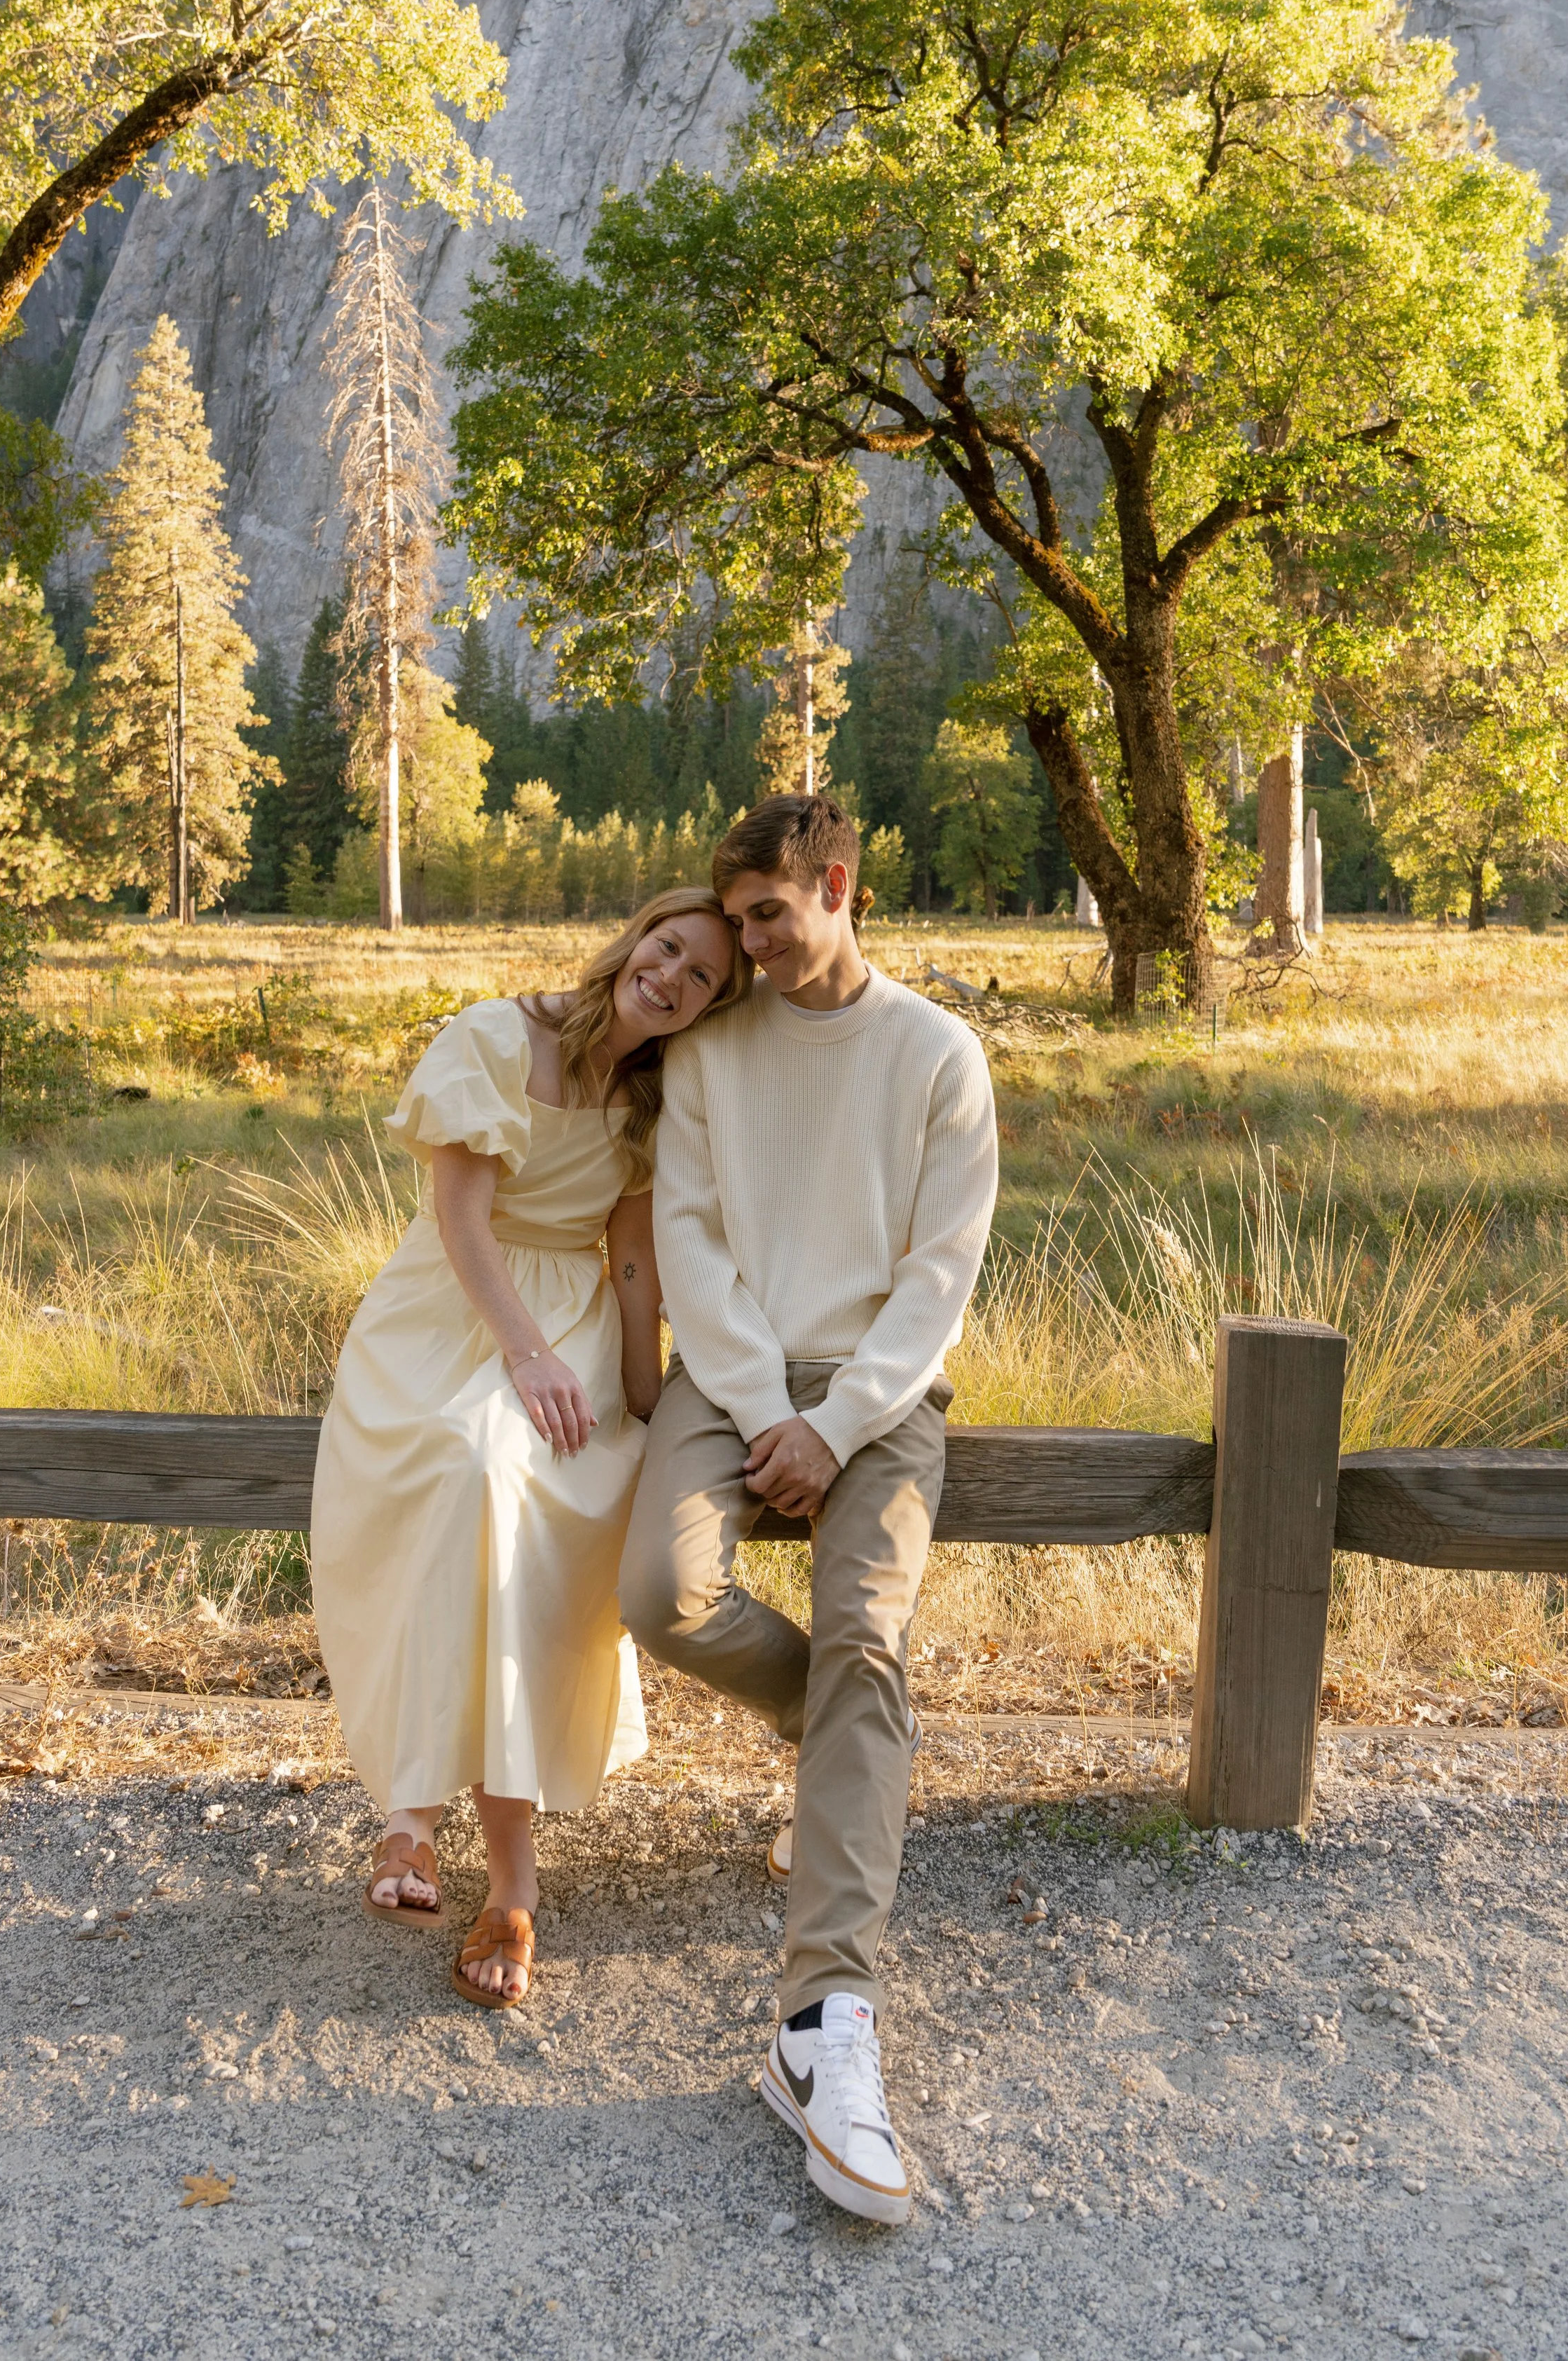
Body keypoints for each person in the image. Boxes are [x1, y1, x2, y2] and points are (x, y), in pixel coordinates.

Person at [619, 795, 998, 2223]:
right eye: (735, 923)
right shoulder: (714, 1053)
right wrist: (763, 1407)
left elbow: (939, 1270)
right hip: (733, 1379)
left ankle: (821, 2026)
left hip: (883, 1398)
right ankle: (838, 1741)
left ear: (834, 887)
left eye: (769, 915)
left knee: (865, 1639)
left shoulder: (935, 1055)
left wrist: (836, 1425)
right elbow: (692, 1237)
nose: (747, 945)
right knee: (658, 1596)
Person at [312, 889, 749, 2012]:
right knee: (466, 1462)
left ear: (710, 1005)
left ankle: (491, 1869)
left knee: (498, 1477)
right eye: (667, 950)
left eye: (702, 978)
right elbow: (461, 1220)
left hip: (574, 1330)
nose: (672, 979)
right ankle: (417, 1816)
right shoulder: (497, 1037)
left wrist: (648, 1403)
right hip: (459, 1313)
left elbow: (635, 1260)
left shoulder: (654, 1096)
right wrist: (526, 1358)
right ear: (634, 939)